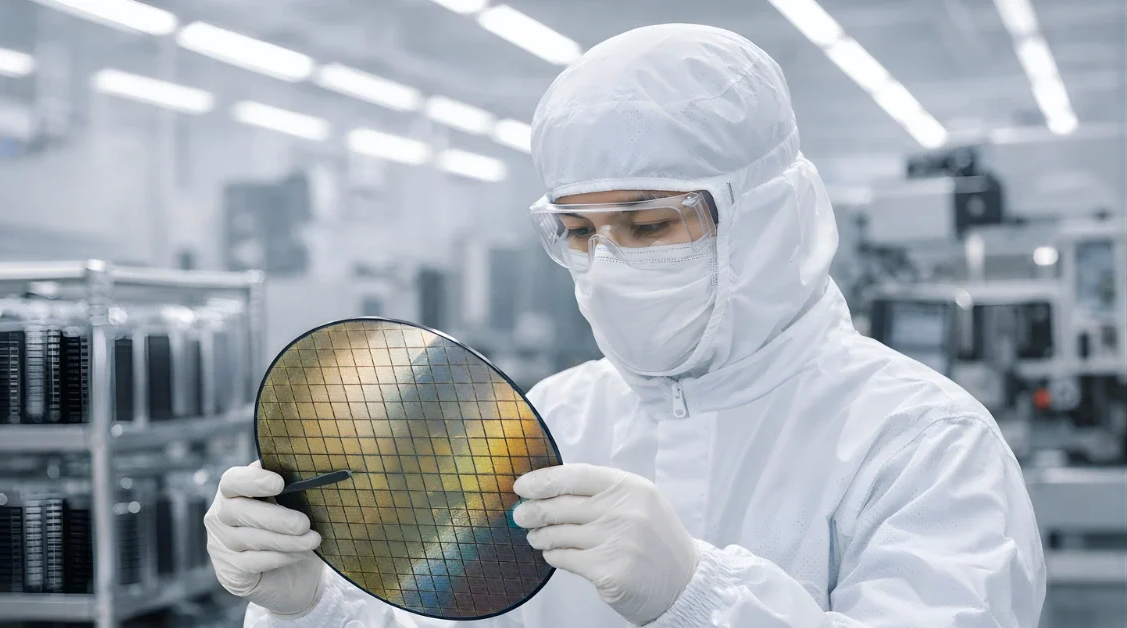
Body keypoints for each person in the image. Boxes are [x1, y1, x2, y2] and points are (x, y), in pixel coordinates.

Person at [206, 23, 1046, 627]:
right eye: (578, 232)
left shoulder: (920, 442)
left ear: (765, 216)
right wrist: (312, 604)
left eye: (647, 226)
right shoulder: (553, 420)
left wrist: (702, 597)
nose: (608, 263)